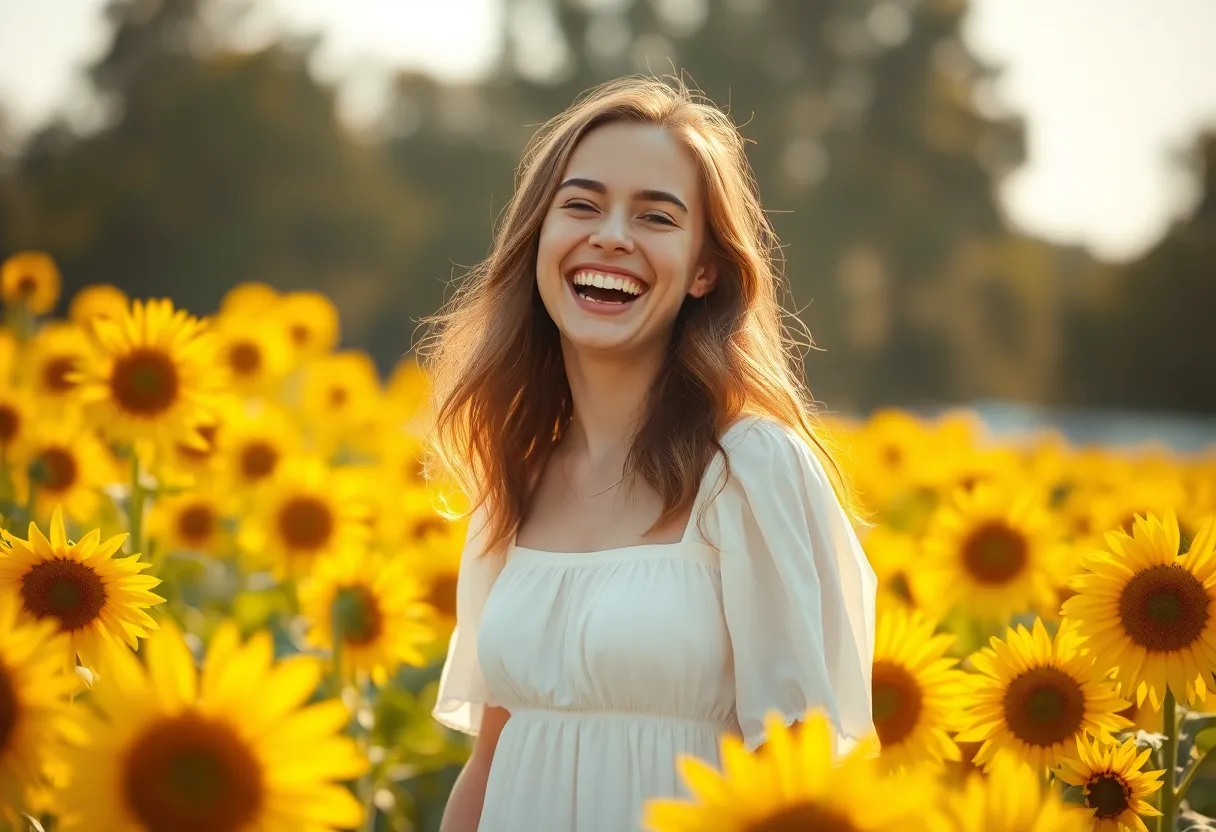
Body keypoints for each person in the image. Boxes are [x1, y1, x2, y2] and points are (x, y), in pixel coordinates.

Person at [418, 75, 877, 832]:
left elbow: (796, 769)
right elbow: (491, 763)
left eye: (656, 216)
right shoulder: (514, 479)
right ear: (538, 239)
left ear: (705, 270)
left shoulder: (749, 471)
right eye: (582, 205)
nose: (612, 236)